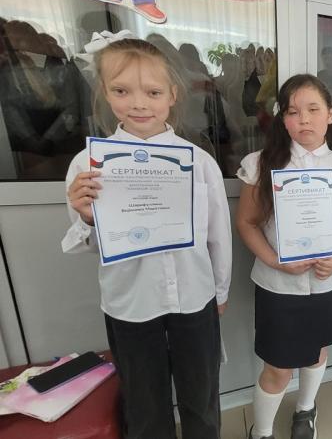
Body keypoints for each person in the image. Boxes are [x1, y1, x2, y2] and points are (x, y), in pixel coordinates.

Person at [62, 35, 231, 439]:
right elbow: (92, 246)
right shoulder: (89, 165)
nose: (138, 104)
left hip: (194, 298)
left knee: (201, 398)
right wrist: (87, 219)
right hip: (130, 304)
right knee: (144, 404)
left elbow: (217, 234)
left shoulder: (198, 162)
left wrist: (220, 291)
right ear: (105, 92)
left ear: (172, 95)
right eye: (122, 91)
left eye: (153, 92)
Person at [236, 74, 332, 439]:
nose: (303, 119)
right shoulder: (260, 164)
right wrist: (276, 260)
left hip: (327, 281)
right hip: (279, 285)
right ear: (282, 117)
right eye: (293, 112)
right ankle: (261, 431)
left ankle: (306, 409)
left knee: (317, 350)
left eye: (313, 109)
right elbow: (246, 223)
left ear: (331, 114)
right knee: (277, 368)